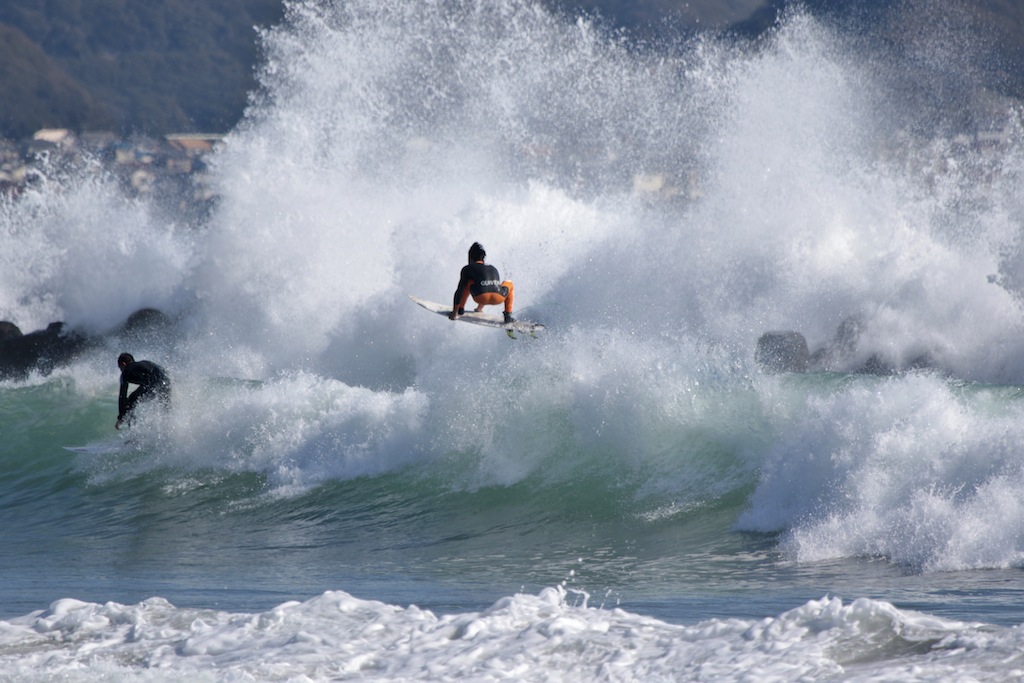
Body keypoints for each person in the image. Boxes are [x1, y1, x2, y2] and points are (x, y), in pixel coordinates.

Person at [450, 242, 515, 323]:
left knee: (468, 282)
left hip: (480, 297)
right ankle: (508, 315)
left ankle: (460, 309)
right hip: (499, 298)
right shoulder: (492, 268)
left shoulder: (467, 269)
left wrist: (454, 312)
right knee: (509, 283)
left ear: (470, 257)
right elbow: (488, 286)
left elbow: (460, 290)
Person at [116, 352, 171, 430]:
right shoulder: (145, 363)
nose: (121, 370)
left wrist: (121, 416)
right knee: (165, 407)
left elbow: (122, 395)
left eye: (120, 368)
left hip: (153, 382)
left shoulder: (126, 371)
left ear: (123, 364)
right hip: (166, 382)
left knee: (130, 401)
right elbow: (163, 372)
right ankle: (168, 427)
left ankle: (133, 432)